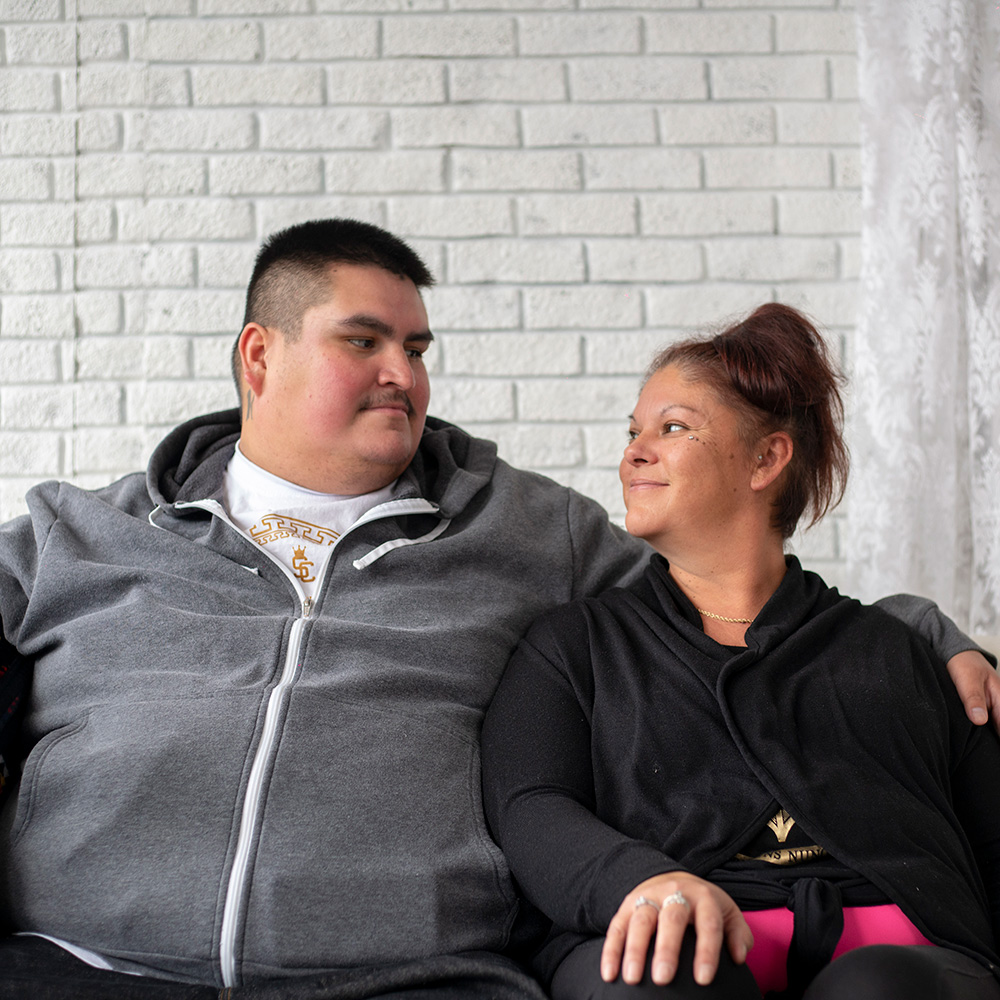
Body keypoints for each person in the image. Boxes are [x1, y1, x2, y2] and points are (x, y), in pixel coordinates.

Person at [0, 222, 992, 1000]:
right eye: (363, 341)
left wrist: (919, 634)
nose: (404, 373)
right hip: (81, 969)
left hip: (417, 982)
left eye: (416, 346)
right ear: (259, 357)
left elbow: (726, 594)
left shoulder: (532, 533)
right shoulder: (75, 535)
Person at [481, 303, 1000, 1000]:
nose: (634, 452)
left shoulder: (899, 649)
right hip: (668, 945)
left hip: (909, 959)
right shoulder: (574, 647)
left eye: (672, 428)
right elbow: (529, 806)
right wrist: (640, 882)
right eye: (633, 432)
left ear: (766, 459)